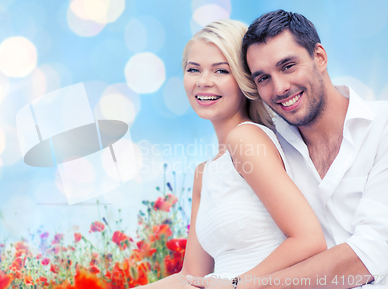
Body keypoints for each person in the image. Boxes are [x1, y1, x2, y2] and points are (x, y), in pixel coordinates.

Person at [188, 10, 388, 289]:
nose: (280, 87)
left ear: (319, 57)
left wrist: (242, 285)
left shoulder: (382, 128)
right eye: (263, 78)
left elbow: (375, 250)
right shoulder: (272, 144)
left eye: (288, 66)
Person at [138, 19, 327, 289]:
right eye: (194, 69)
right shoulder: (204, 173)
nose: (203, 82)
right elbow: (190, 276)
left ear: (243, 78)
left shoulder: (245, 139)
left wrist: (236, 284)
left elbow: (309, 240)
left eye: (220, 71)